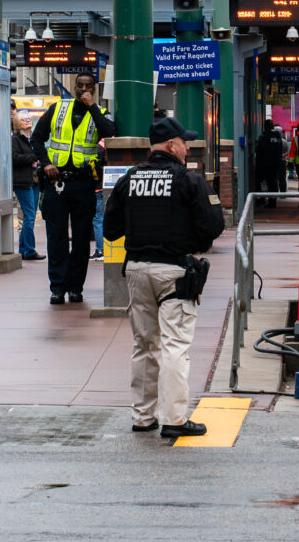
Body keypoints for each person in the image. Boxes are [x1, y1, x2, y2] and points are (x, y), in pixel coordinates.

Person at [104, 116, 225, 438]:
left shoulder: (130, 179)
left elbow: (110, 229)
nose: (187, 147)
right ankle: (174, 419)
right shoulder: (188, 179)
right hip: (173, 272)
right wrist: (195, 245)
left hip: (136, 270)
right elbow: (213, 226)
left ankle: (143, 417)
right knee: (175, 345)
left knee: (144, 344)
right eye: (185, 142)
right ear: (172, 145)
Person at [31, 74, 114, 304]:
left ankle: (75, 287)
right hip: (56, 184)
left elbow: (109, 133)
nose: (83, 90)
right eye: (80, 86)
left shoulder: (101, 114)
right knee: (56, 237)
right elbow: (36, 139)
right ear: (73, 86)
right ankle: (57, 287)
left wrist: (92, 108)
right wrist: (46, 163)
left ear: (95, 90)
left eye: (88, 86)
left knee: (80, 239)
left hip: (84, 183)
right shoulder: (57, 108)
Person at [12, 109, 44, 261]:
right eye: (24, 119)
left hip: (35, 181)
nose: (28, 121)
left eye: (29, 119)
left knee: (29, 215)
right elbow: (15, 157)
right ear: (17, 124)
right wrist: (32, 158)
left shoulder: (33, 138)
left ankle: (23, 249)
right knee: (30, 216)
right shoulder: (15, 140)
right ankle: (29, 250)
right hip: (22, 182)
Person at [255, 119, 285, 207]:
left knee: (259, 182)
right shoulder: (278, 136)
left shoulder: (264, 136)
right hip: (275, 164)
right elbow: (280, 150)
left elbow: (259, 149)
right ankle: (273, 201)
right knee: (273, 182)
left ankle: (261, 200)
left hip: (264, 163)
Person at [90, 140, 107, 261]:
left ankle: (100, 249)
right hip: (107, 186)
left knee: (98, 219)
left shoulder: (98, 148)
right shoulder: (110, 144)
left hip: (97, 187)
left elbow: (93, 168)